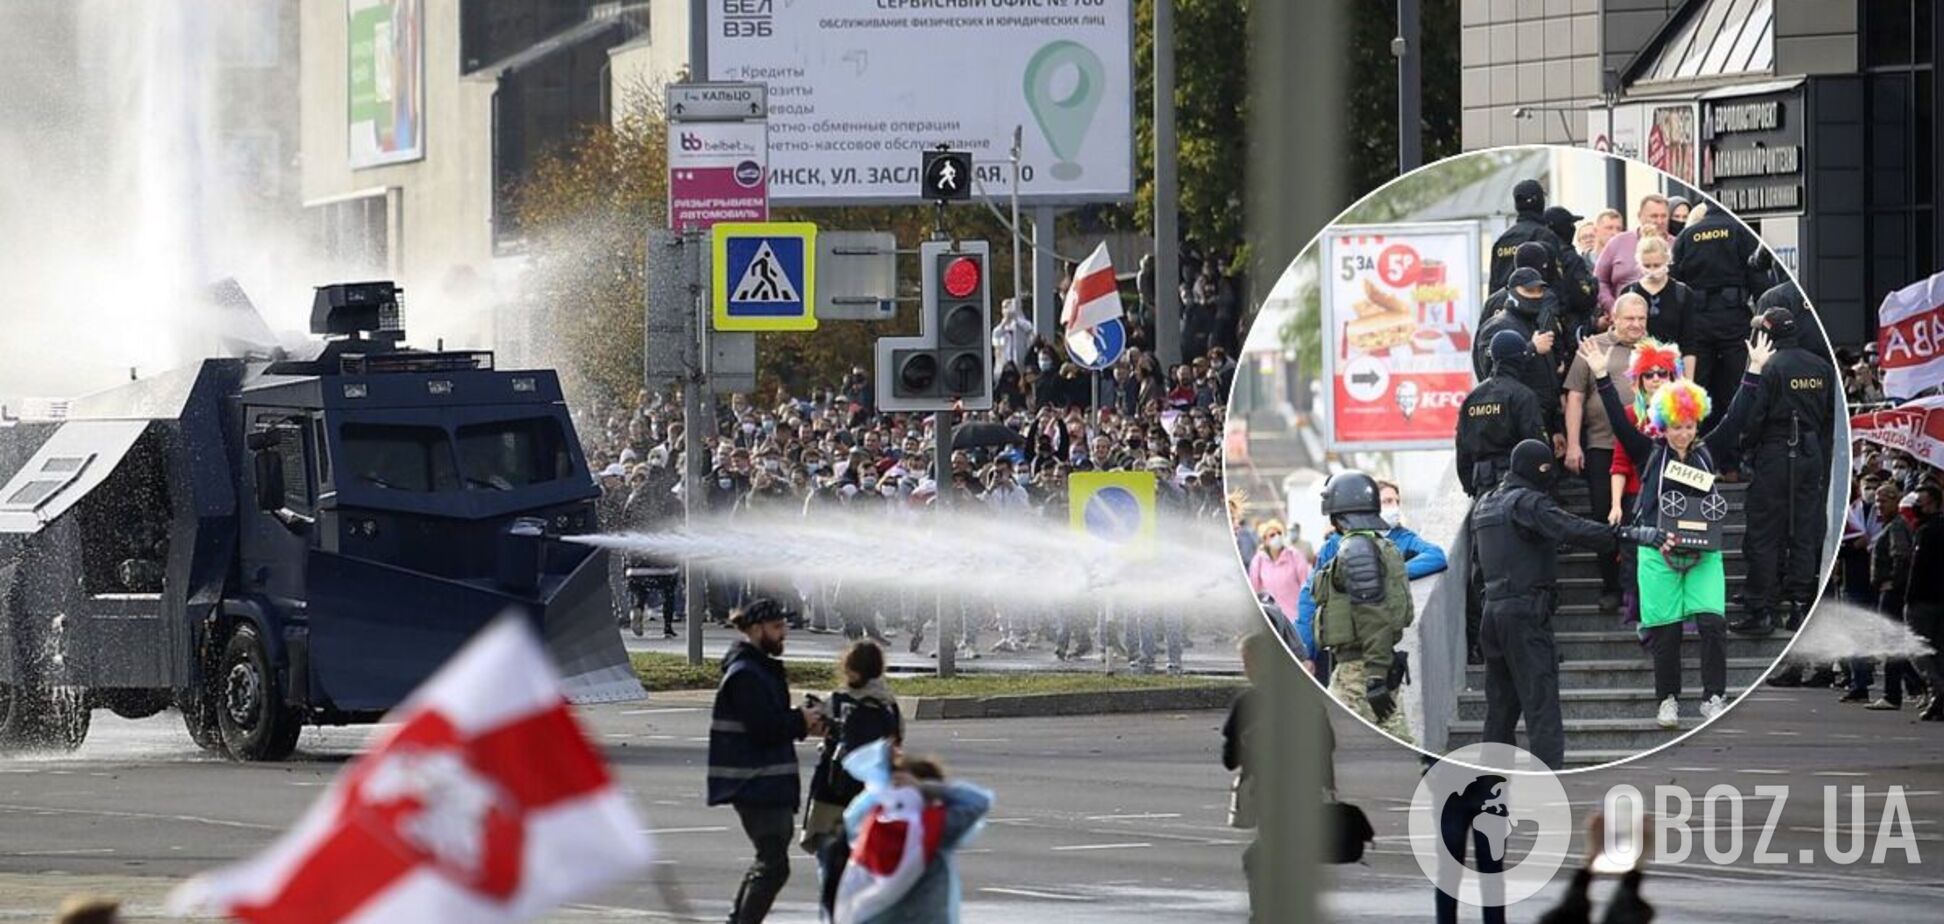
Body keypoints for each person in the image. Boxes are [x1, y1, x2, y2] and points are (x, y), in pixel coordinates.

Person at [1583, 330, 1772, 728]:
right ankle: (1667, 699)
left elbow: (1737, 415)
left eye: (1689, 425)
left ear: (1696, 420)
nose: (1683, 433)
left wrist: (1753, 369)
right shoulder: (1646, 453)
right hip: (1657, 552)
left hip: (1704, 552)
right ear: (1663, 425)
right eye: (1676, 426)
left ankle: (1713, 697)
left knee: (1712, 624)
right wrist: (1601, 375)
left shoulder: (1709, 449)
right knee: (1665, 632)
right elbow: (1618, 422)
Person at [1471, 440, 1670, 769]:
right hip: (1525, 613)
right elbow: (1572, 528)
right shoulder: (1528, 502)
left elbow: (1479, 568)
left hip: (1492, 613)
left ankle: (1490, 794)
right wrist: (1631, 535)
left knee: (1500, 711)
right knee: (1541, 705)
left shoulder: (1487, 505)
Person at [708, 598, 826, 923]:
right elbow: (763, 728)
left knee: (770, 861)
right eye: (777, 627)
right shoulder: (746, 673)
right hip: (753, 781)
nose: (783, 632)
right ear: (756, 629)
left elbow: (770, 721)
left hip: (764, 780)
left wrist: (803, 721)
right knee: (773, 864)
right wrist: (800, 720)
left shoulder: (759, 668)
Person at [1733, 307, 1835, 636]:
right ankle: (1800, 605)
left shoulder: (1770, 367)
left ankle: (1761, 608)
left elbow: (1754, 416)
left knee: (1764, 532)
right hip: (1810, 451)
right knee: (1804, 530)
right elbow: (1828, 418)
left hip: (1776, 451)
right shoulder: (1820, 366)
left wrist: (1745, 446)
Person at [1294, 481, 1448, 682]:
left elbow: (1436, 556)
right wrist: (1306, 653)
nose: (1393, 506)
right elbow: (1310, 596)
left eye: (1396, 501)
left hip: (1373, 655)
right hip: (1344, 650)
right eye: (1387, 501)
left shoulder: (1401, 539)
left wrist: (1394, 573)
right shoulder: (1334, 546)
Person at [1310, 471, 1416, 743]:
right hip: (1374, 664)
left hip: (1358, 671)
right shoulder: (1374, 545)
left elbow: (1373, 614)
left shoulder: (1356, 550)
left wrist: (1376, 677)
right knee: (1399, 743)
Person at [1564, 293, 1652, 613]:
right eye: (1629, 318)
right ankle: (1611, 585)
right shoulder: (1594, 346)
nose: (1636, 325)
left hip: (1646, 449)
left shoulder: (1655, 348)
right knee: (1605, 516)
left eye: (1641, 319)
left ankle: (1643, 587)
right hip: (1601, 445)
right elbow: (1574, 397)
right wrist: (1573, 443)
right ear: (1614, 317)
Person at [803, 641, 904, 920]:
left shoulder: (836, 701)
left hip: (832, 793)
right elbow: (897, 744)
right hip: (873, 796)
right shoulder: (888, 705)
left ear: (849, 668)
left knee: (829, 862)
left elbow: (815, 727)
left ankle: (832, 916)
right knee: (868, 864)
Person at [837, 752, 993, 923]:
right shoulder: (938, 827)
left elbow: (852, 816)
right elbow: (978, 801)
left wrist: (882, 788)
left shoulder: (872, 824)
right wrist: (926, 788)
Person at [1671, 201, 1763, 447]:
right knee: (1738, 386)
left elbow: (1675, 283)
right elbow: (1758, 275)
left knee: (1698, 386)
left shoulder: (1687, 236)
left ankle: (1691, 449)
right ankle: (1733, 459)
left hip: (1697, 320)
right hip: (1734, 318)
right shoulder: (1741, 230)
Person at [1606, 338, 1683, 627]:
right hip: (1638, 499)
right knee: (1637, 562)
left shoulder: (1683, 412)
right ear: (1638, 379)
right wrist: (1615, 505)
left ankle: (1673, 615)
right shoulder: (1629, 414)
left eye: (1661, 373)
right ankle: (1643, 619)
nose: (1654, 379)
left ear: (1672, 376)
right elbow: (1619, 463)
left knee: (1676, 558)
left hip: (1676, 499)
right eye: (1648, 374)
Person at [1476, 267, 1565, 440]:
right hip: (1512, 423)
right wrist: (1531, 348)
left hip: (1540, 422)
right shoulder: (1498, 326)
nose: (1535, 296)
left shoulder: (1536, 326)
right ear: (1512, 292)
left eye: (1539, 291)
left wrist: (1555, 428)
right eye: (1529, 291)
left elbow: (1548, 381)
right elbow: (1491, 373)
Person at [1459, 330, 1550, 498]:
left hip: (1482, 486)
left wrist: (1470, 488)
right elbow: (1536, 443)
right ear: (1519, 358)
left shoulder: (1472, 398)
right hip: (1516, 486)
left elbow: (1462, 451)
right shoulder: (1523, 396)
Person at [1618, 235, 1698, 376]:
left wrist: (1688, 380)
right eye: (1647, 266)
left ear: (1667, 261)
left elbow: (1689, 343)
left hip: (1672, 368)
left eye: (1657, 265)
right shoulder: (1629, 292)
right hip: (1637, 368)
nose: (1652, 270)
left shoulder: (1682, 293)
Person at [1868, 486, 1918, 710]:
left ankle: (1893, 693)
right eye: (1877, 502)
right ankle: (1915, 688)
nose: (1879, 506)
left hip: (1892, 594)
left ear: (1895, 501)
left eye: (1883, 502)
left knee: (1892, 644)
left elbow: (1901, 556)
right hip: (1889, 591)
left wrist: (1893, 583)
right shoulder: (1891, 525)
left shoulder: (1897, 526)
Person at [1903, 484, 1944, 720]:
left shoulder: (1927, 531)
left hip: (1923, 601)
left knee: (1916, 648)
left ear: (1935, 504)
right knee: (1938, 651)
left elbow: (1917, 570)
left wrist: (1908, 598)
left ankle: (1938, 690)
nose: (1918, 506)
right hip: (1938, 600)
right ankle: (1939, 702)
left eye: (1923, 503)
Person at [1487, 179, 1568, 292]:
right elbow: (1557, 283)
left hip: (1505, 307)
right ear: (1539, 201)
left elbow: (1494, 287)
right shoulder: (1545, 236)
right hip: (1537, 306)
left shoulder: (1503, 240)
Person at [1248, 519, 1312, 658]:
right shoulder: (1259, 560)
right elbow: (1253, 588)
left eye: (1279, 533)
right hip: (1272, 617)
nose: (1276, 537)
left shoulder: (1295, 556)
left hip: (1294, 617)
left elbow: (1306, 584)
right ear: (1265, 540)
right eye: (1272, 535)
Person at [1595, 194, 1669, 314]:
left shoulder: (1676, 244)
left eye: (1663, 216)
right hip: (1623, 319)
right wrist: (1613, 307)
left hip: (1666, 319)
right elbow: (1599, 280)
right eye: (1654, 216)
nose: (1659, 221)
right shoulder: (1618, 242)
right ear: (1639, 216)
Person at [990, 297, 1035, 375]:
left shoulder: (1020, 323)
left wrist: (1016, 317)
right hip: (1004, 365)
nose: (1007, 310)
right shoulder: (1000, 327)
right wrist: (1004, 322)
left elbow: (1029, 328)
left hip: (1019, 362)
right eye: (1004, 308)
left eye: (1009, 307)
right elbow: (995, 338)